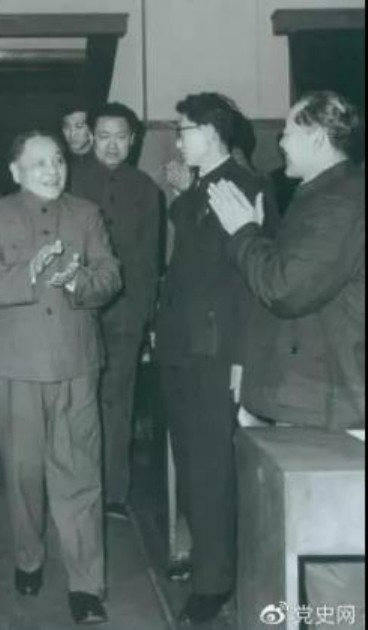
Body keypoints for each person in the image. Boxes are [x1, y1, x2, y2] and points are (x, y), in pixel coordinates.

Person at [208, 90, 365, 626]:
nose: (280, 141)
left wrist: (243, 233)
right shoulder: (323, 193)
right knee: (315, 553)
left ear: (318, 137)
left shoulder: (340, 201)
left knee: (332, 558)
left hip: (327, 403)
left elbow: (284, 288)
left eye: (290, 131)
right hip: (315, 394)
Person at [0, 130, 121, 625]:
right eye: (39, 163)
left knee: (81, 477)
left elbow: (110, 278)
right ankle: (28, 557)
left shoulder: (87, 214)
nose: (53, 170)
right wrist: (29, 272)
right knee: (23, 474)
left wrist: (79, 279)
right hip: (15, 367)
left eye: (57, 160)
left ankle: (86, 585)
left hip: (76, 365)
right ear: (15, 172)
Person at [153, 92, 276, 625]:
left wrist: (243, 360)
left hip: (215, 355)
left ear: (209, 132)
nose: (177, 140)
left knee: (210, 472)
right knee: (192, 465)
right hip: (183, 349)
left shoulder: (245, 187)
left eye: (183, 130)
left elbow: (253, 283)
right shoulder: (202, 186)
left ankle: (213, 584)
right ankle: (207, 562)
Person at [70, 101, 163, 519]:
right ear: (91, 137)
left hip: (125, 315)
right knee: (74, 401)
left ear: (133, 140)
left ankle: (113, 493)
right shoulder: (69, 181)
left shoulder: (146, 189)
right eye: (104, 136)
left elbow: (149, 261)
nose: (112, 145)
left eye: (121, 137)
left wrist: (143, 316)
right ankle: (74, 486)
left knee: (117, 403)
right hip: (75, 312)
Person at [61, 100, 94, 166]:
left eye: (79, 126)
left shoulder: (104, 157)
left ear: (91, 128)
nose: (72, 134)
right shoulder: (60, 157)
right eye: (67, 127)